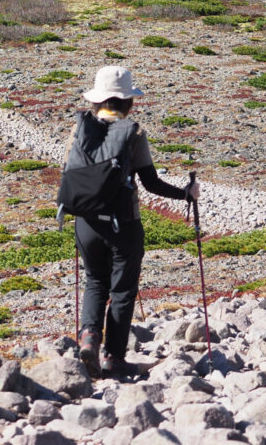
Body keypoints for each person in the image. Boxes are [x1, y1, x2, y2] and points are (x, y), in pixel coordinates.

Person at [65, 65, 199, 378]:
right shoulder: (134, 133)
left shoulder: (79, 130)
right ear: (130, 102)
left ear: (96, 101)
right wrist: (186, 194)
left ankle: (88, 338)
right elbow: (151, 184)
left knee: (95, 280)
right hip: (123, 224)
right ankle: (114, 359)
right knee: (123, 291)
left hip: (85, 223)